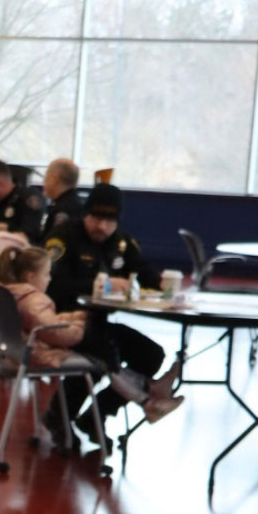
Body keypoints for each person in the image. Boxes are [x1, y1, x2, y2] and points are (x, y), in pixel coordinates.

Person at [0, 244, 183, 450]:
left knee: (113, 349)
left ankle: (146, 394)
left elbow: (45, 323)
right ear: (30, 276)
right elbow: (51, 329)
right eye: (47, 274)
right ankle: (146, 397)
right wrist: (80, 328)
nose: (49, 279)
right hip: (45, 350)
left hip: (31, 347)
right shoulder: (34, 297)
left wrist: (75, 319)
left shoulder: (15, 293)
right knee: (104, 354)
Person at [43, 183, 180, 444]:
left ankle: (98, 414)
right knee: (101, 356)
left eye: (109, 221)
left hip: (97, 322)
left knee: (151, 355)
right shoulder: (63, 237)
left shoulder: (120, 241)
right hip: (63, 321)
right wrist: (101, 283)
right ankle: (58, 416)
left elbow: (144, 273)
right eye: (96, 218)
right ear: (86, 214)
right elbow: (53, 284)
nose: (102, 227)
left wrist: (164, 286)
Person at [37, 157, 84, 243]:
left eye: (46, 176)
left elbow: (51, 243)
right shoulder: (75, 203)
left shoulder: (62, 209)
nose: (44, 181)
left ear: (54, 179)